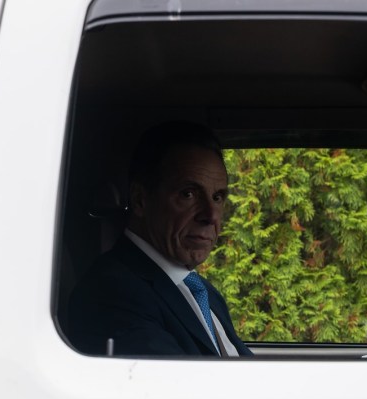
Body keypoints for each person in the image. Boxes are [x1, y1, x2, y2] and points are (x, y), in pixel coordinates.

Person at [68, 122, 252, 357]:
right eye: (188, 194)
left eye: (217, 197)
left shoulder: (203, 292)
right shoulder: (110, 294)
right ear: (140, 200)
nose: (211, 215)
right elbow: (179, 390)